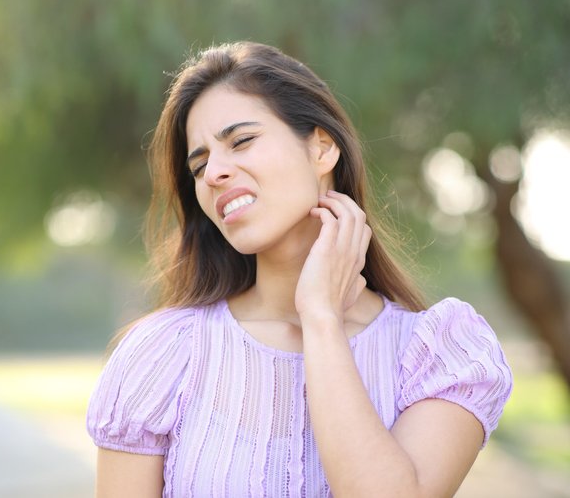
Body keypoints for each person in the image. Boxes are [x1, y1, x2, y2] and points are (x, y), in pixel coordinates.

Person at [86, 41, 513, 497]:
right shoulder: (164, 354)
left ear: (322, 149)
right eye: (200, 163)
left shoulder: (441, 355)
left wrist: (321, 317)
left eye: (242, 141)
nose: (213, 174)